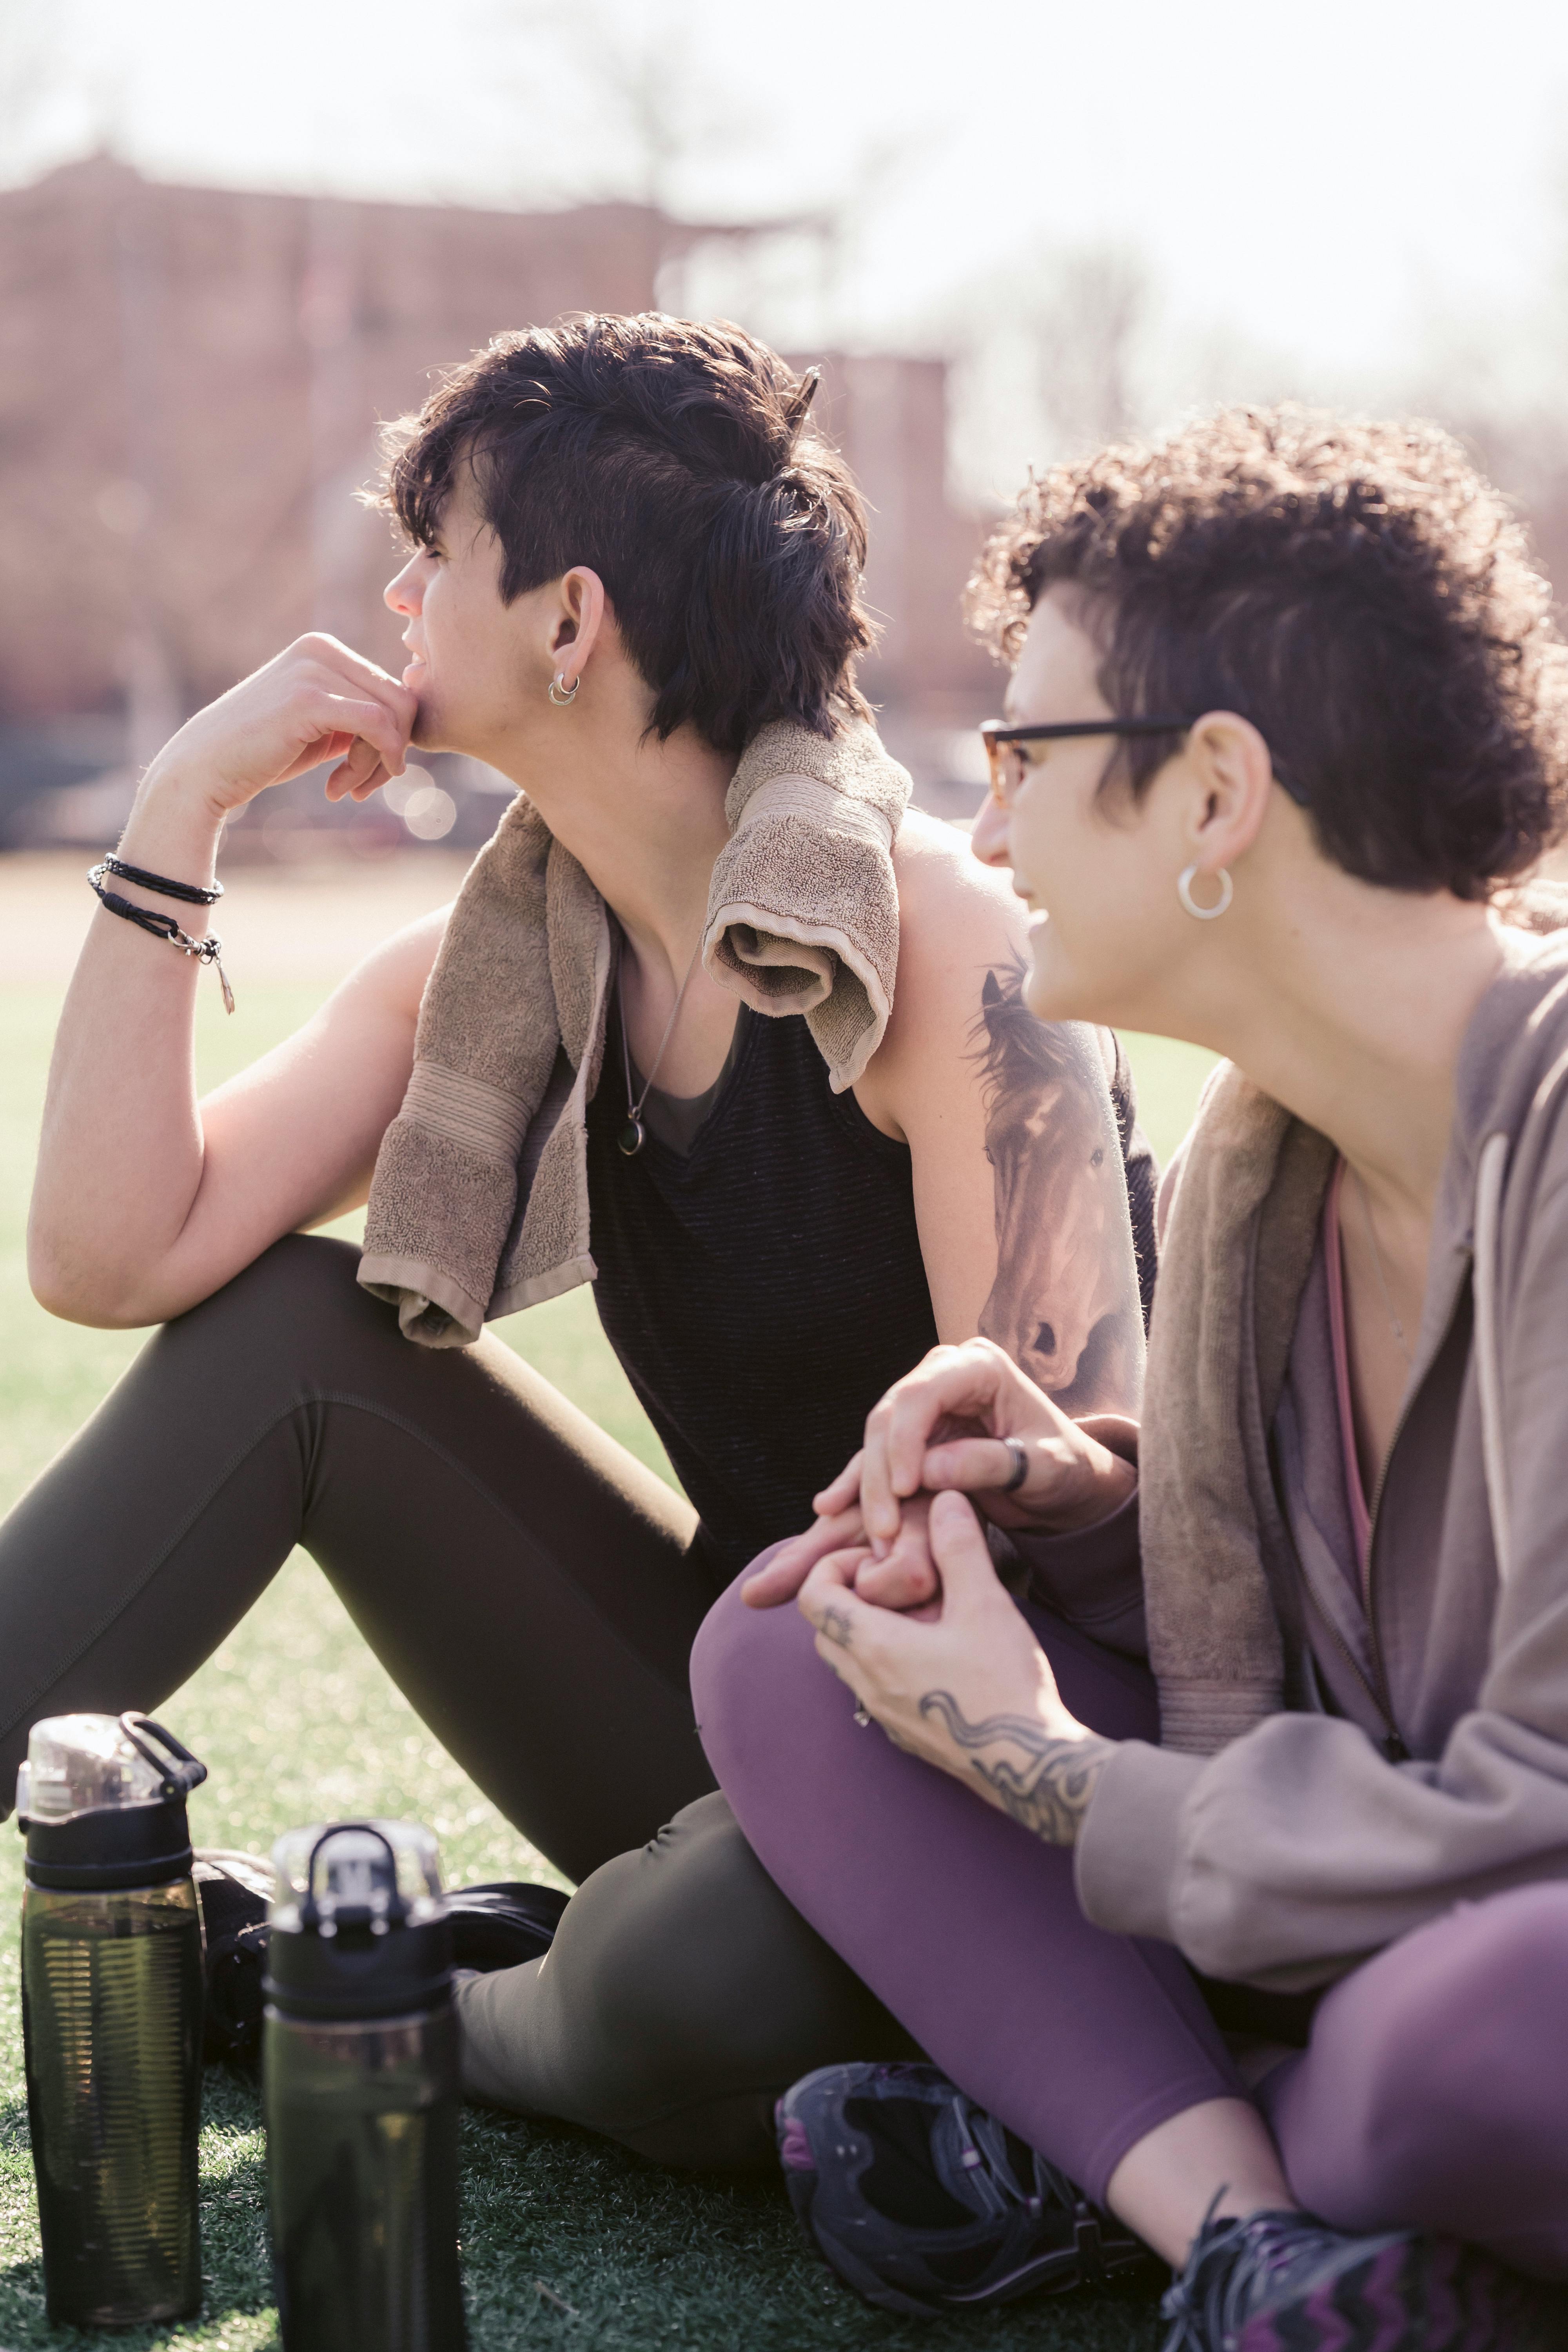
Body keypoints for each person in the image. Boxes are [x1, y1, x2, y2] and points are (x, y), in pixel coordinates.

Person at [7, 312, 1153, 2162]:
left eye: (432, 550)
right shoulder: (498, 965)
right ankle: (568, 1973)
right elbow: (115, 1261)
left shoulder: (945, 951)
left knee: (718, 1972)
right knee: (292, 1334)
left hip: (1005, 1756)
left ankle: (371, 1991)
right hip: (737, 1704)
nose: (390, 594)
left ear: (568, 619)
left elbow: (1052, 1531)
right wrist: (178, 811)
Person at [696, 407, 1568, 2348]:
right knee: (797, 1644)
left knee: (1471, 2023)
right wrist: (1079, 1511)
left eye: (1023, 756)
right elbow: (1348, 1669)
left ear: (1214, 795)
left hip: (1513, 1967)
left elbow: (1535, 1814)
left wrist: (1053, 1766)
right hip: (1409, 1931)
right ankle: (1262, 2246)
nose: (983, 829)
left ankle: (1149, 2160)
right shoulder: (1279, 1156)